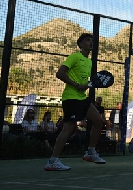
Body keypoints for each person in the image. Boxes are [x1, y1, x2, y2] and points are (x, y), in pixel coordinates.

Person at [44, 33, 106, 171]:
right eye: (88, 40)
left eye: (92, 41)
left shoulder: (89, 62)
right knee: (69, 128)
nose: (91, 43)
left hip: (82, 98)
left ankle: (90, 152)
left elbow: (85, 81)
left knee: (99, 121)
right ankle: (52, 161)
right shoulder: (74, 57)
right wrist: (77, 85)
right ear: (80, 44)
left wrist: (87, 85)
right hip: (71, 97)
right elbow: (60, 73)